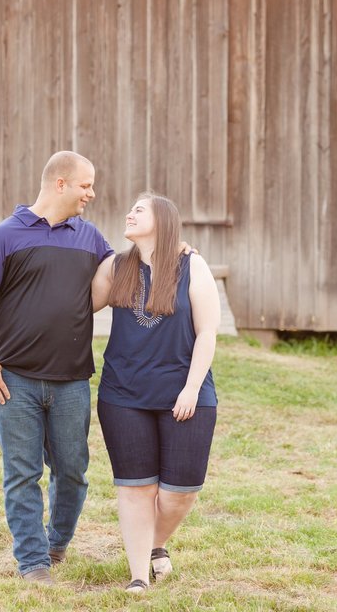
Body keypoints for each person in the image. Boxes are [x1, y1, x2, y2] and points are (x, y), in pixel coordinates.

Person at [0, 151, 113, 584]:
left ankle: (56, 542)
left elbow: (123, 270)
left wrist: (174, 246)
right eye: (86, 185)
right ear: (60, 183)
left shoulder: (92, 239)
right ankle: (33, 562)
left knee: (72, 470)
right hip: (13, 382)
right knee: (22, 472)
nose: (92, 194)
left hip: (71, 382)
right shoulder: (4, 237)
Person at [91, 192, 220, 594]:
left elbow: (208, 333)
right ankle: (138, 577)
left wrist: (192, 388)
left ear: (163, 221)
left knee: (179, 494)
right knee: (136, 489)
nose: (129, 213)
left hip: (183, 392)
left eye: (139, 209)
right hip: (123, 394)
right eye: (129, 208)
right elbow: (79, 305)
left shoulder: (192, 265)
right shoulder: (115, 267)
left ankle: (156, 543)